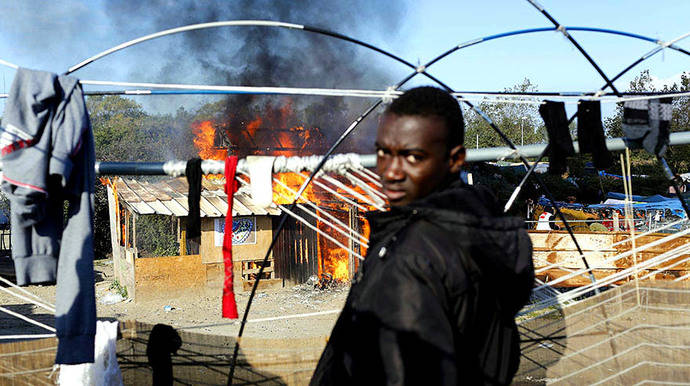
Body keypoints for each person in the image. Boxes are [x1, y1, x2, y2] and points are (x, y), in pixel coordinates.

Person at [310, 86, 534, 385]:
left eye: (412, 156)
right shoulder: (485, 222)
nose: (391, 172)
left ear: (455, 159)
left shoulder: (413, 257)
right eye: (383, 152)